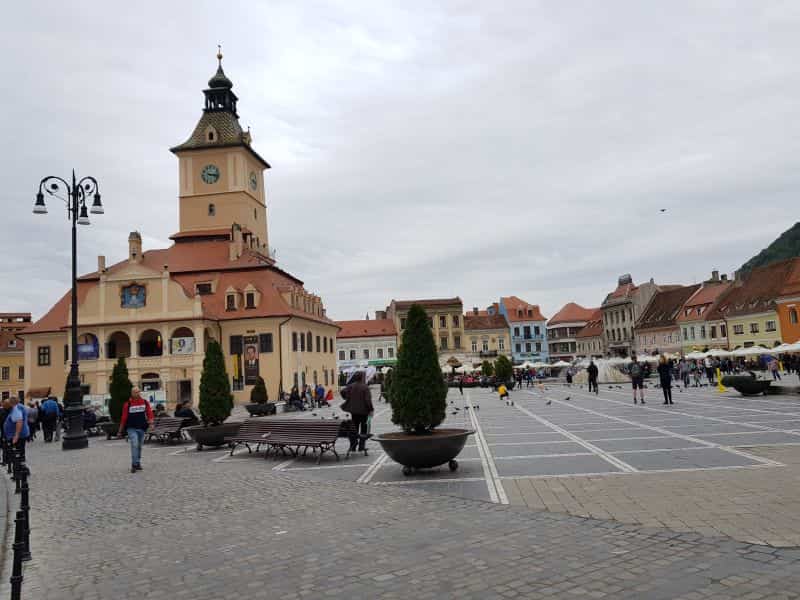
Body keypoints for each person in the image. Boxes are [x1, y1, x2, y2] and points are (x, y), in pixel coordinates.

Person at [117, 387, 154, 473]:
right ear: (132, 393)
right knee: (134, 444)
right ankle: (134, 464)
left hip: (142, 427)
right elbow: (124, 418)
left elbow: (149, 413)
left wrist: (151, 423)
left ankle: (137, 462)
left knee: (139, 446)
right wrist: (120, 430)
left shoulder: (145, 402)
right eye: (135, 392)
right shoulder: (127, 404)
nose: (137, 394)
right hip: (131, 428)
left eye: (138, 392)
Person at [341, 371, 374, 453]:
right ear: (362, 377)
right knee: (363, 429)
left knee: (354, 429)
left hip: (354, 411)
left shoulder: (350, 386)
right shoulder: (365, 387)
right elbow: (368, 400)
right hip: (364, 412)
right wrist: (371, 409)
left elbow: (342, 392)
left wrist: (347, 399)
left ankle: (353, 446)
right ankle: (361, 446)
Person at [3, 396, 30, 461]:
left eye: (6, 405)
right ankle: (20, 463)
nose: (6, 407)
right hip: (21, 434)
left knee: (17, 452)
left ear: (11, 403)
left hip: (18, 435)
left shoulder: (16, 408)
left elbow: (19, 421)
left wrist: (16, 435)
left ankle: (19, 466)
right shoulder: (20, 406)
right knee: (20, 451)